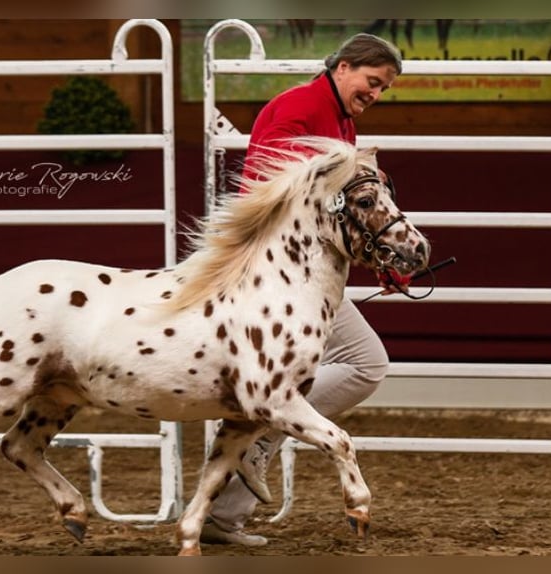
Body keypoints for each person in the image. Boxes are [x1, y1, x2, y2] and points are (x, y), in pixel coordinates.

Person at [200, 33, 404, 547]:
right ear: (343, 68)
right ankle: (259, 444)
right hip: (278, 278)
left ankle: (226, 510)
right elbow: (268, 193)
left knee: (355, 365)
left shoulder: (339, 119)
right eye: (372, 81)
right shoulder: (298, 109)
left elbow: (339, 209)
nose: (375, 94)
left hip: (301, 276)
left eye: (383, 88)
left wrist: (376, 256)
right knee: (364, 363)